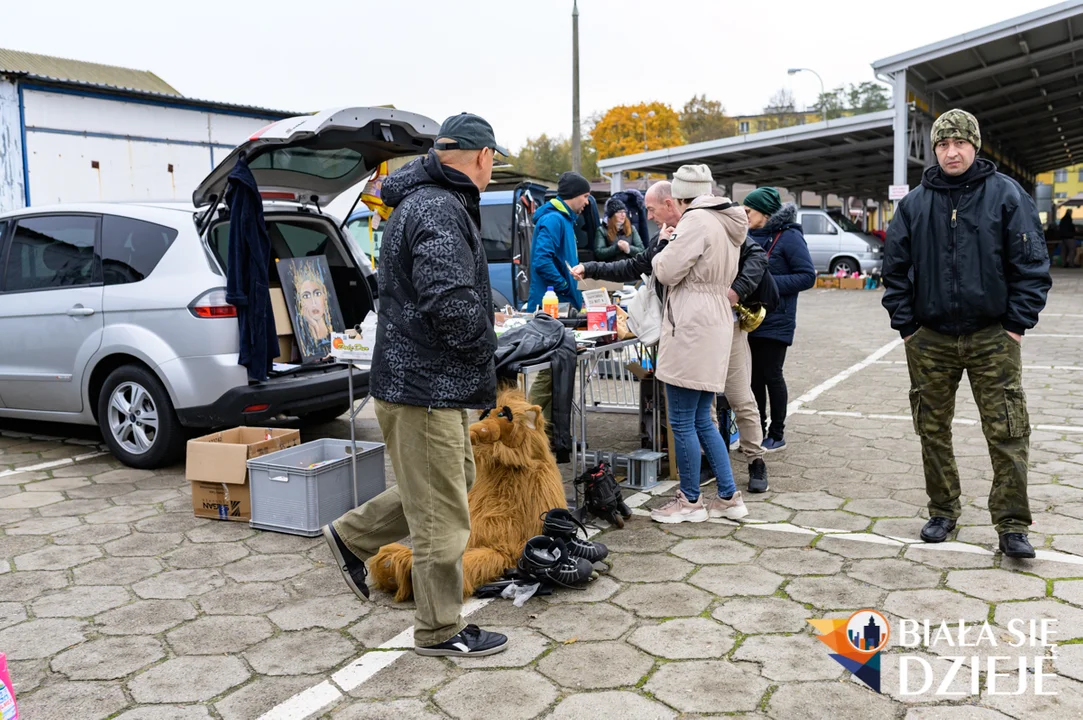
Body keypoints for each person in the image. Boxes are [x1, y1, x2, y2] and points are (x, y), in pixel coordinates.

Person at [321, 113, 509, 657]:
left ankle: (351, 537)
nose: (493, 168)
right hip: (427, 385)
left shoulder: (426, 201)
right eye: (494, 158)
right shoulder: (438, 207)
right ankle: (440, 629)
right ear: (480, 156)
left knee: (449, 483)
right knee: (443, 513)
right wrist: (486, 349)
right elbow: (448, 299)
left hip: (425, 382)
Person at [881, 108, 1051, 560]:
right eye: (942, 145)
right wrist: (907, 327)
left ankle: (1012, 524)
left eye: (959, 143)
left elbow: (1032, 265)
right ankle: (943, 510)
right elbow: (893, 269)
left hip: (993, 335)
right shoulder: (915, 203)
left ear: (974, 145)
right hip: (930, 338)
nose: (951, 152)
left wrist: (1016, 324)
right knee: (931, 428)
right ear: (934, 151)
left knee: (1008, 430)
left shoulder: (1006, 196)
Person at [571, 180, 772, 493]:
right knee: (704, 411)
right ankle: (714, 472)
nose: (648, 216)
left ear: (670, 204)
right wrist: (591, 267)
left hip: (725, 326)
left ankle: (755, 459)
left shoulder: (711, 223)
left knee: (738, 395)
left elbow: (757, 257)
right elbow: (637, 265)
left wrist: (735, 292)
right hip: (688, 330)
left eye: (652, 209)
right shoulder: (666, 235)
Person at [647, 165, 751, 523]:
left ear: (680, 196)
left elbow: (666, 271)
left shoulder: (695, 220)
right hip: (716, 317)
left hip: (691, 322)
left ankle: (690, 501)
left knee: (681, 419)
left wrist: (663, 245)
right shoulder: (727, 220)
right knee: (703, 420)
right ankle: (728, 497)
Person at [742, 187, 816, 452]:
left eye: (748, 210)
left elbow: (807, 276)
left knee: (771, 374)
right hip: (750, 319)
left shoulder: (789, 237)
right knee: (753, 379)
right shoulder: (748, 235)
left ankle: (777, 433)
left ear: (764, 211)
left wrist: (767, 284)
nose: (744, 214)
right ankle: (757, 431)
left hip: (778, 319)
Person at [526, 171, 591, 311]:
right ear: (573, 194)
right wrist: (564, 287)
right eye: (585, 196)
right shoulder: (554, 220)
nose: (587, 202)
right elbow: (542, 261)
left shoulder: (566, 220)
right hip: (552, 310)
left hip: (561, 306)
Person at [593, 197, 645, 262]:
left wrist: (628, 248)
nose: (623, 215)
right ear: (612, 215)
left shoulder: (631, 228)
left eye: (624, 212)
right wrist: (616, 248)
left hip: (628, 268)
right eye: (619, 212)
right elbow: (599, 253)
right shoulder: (602, 230)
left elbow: (641, 250)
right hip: (610, 269)